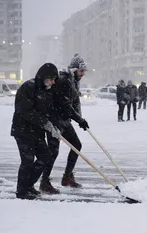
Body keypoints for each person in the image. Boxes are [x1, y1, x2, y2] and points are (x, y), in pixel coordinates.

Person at [40, 54, 90, 194]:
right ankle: (44, 182)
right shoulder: (65, 80)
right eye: (81, 71)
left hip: (64, 120)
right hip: (55, 120)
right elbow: (65, 105)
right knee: (53, 152)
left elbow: (74, 103)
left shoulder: (73, 81)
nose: (82, 74)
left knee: (76, 145)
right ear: (74, 69)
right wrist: (79, 120)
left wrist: (80, 119)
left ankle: (67, 177)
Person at [11, 63, 60, 200]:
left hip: (37, 131)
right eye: (52, 79)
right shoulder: (29, 87)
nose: (53, 82)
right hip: (22, 130)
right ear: (44, 77)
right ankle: (22, 191)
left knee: (45, 156)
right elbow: (25, 111)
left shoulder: (46, 90)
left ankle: (29, 185)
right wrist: (45, 123)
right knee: (27, 160)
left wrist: (54, 127)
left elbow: (48, 112)